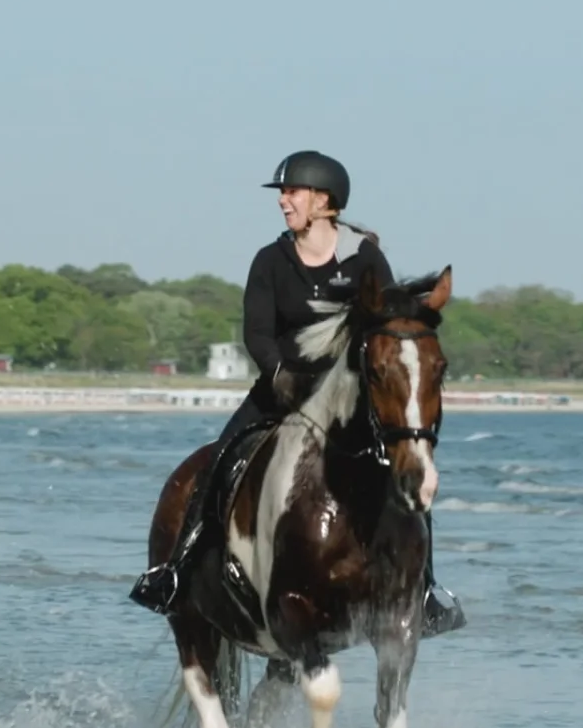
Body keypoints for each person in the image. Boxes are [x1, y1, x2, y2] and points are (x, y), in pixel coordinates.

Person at [130, 151, 461, 633]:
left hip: (347, 400)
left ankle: (426, 588)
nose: (283, 200)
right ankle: (174, 572)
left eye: (292, 191)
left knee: (405, 476)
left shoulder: (364, 258)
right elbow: (257, 334)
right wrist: (280, 373)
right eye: (283, 193)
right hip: (280, 391)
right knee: (219, 462)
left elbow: (386, 323)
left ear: (324, 201)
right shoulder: (271, 260)